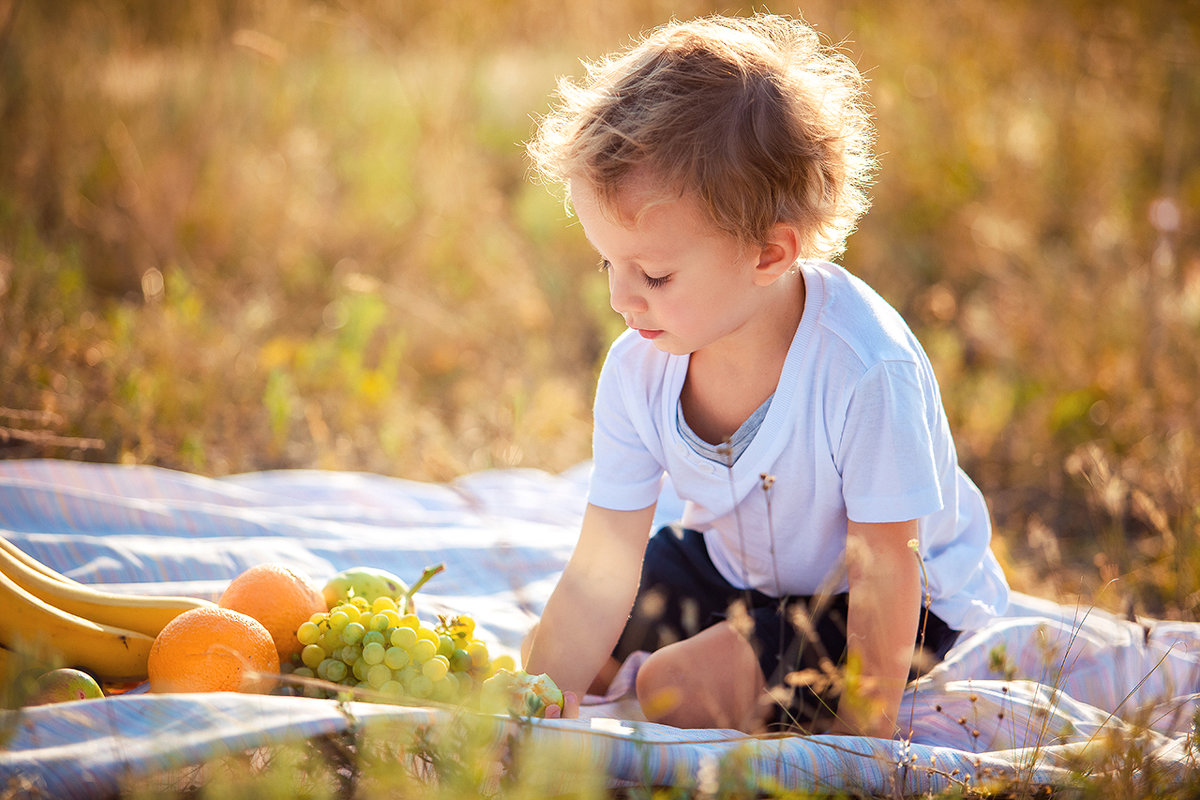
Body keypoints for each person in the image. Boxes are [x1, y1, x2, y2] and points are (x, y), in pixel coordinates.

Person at [521, 13, 1009, 737]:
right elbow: (606, 553)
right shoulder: (639, 367)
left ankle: (735, 678)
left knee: (673, 689)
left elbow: (886, 563)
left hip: (888, 604)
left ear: (771, 256)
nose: (623, 300)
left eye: (653, 273)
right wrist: (535, 701)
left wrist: (858, 741)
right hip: (738, 568)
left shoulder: (865, 369)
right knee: (551, 657)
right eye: (608, 264)